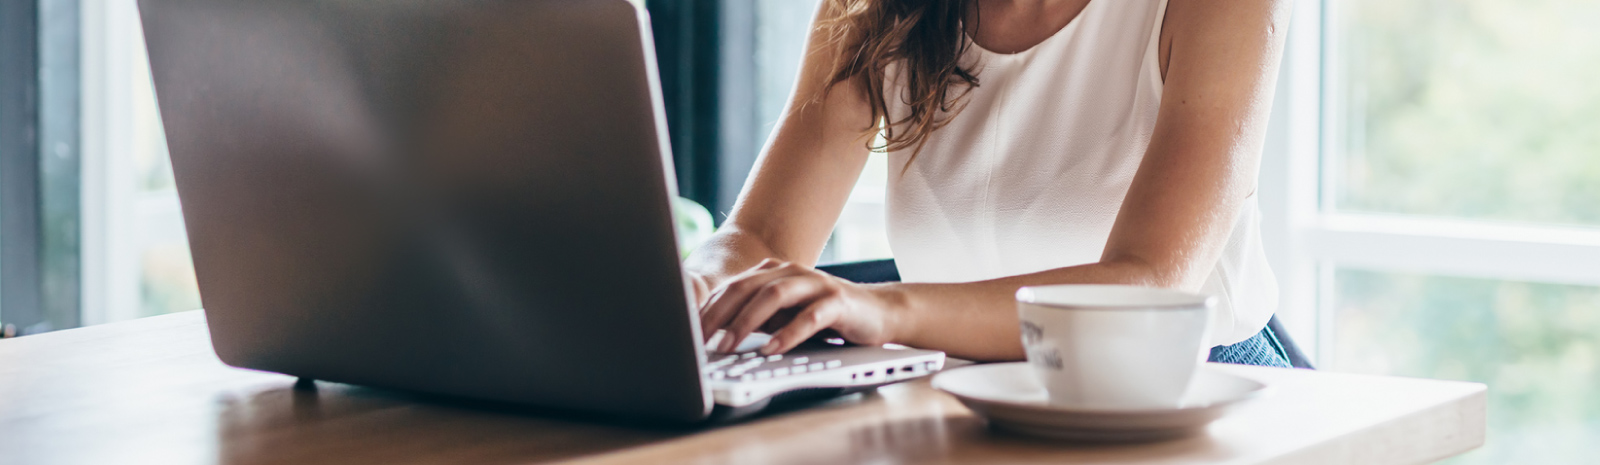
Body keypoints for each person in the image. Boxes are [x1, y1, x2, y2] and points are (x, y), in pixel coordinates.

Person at [684, 0, 1292, 364]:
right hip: (960, 386)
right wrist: (689, 286)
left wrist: (886, 309)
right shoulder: (875, 8)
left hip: (1193, 386)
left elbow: (1151, 285)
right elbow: (761, 234)